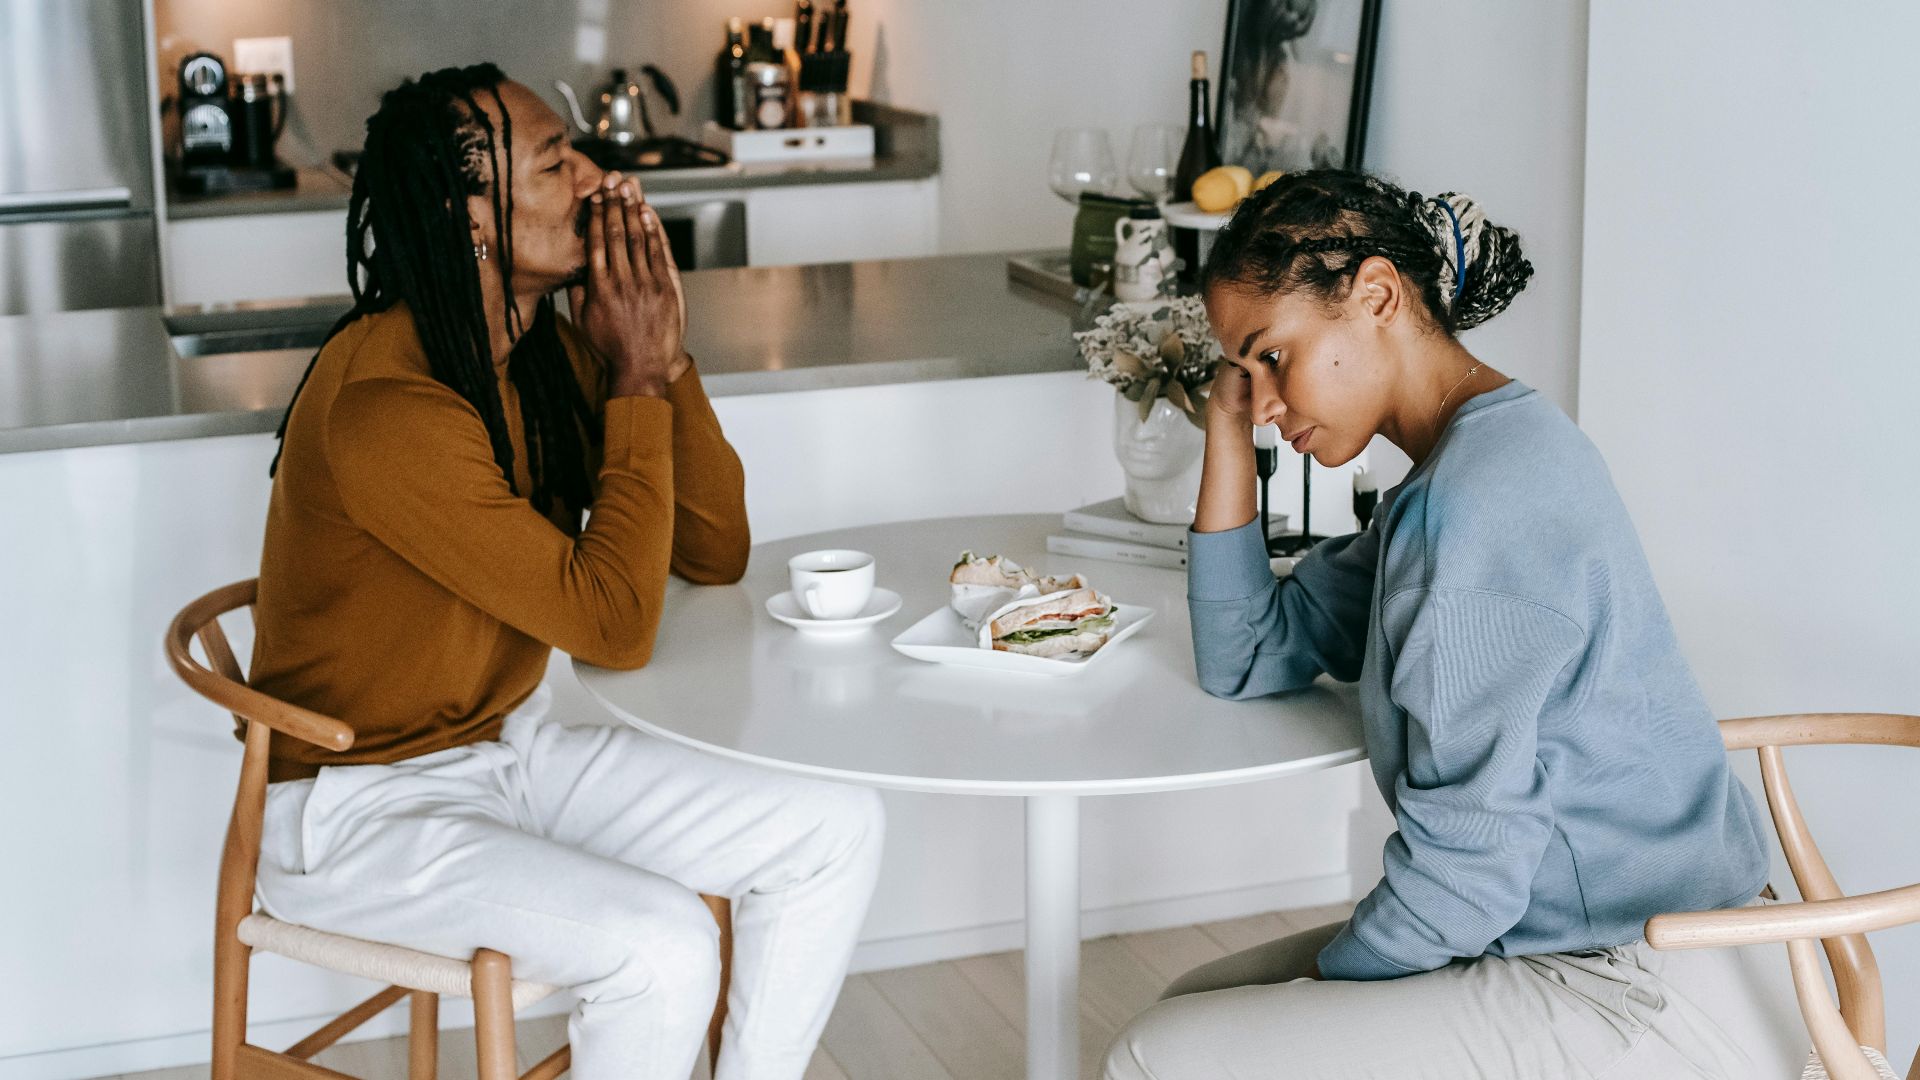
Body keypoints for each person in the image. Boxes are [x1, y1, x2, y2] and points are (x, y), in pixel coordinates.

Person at [246, 64, 883, 1080]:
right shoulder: (390, 407)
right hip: (353, 808)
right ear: (473, 222)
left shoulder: (539, 350)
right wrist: (631, 377)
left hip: (503, 756)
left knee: (834, 825)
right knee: (665, 945)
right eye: (555, 160)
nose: (596, 174)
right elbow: (618, 626)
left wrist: (661, 359)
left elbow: (713, 552)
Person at [1102, 171, 1794, 1078]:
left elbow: (1467, 878)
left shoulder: (1479, 511)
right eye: (1244, 371)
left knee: (1159, 1054)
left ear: (1379, 296)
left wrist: (1317, 987)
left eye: (1272, 357)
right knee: (1188, 1008)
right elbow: (1250, 652)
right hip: (1590, 940)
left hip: (1639, 982)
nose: (1265, 403)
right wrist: (1226, 431)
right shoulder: (1470, 468)